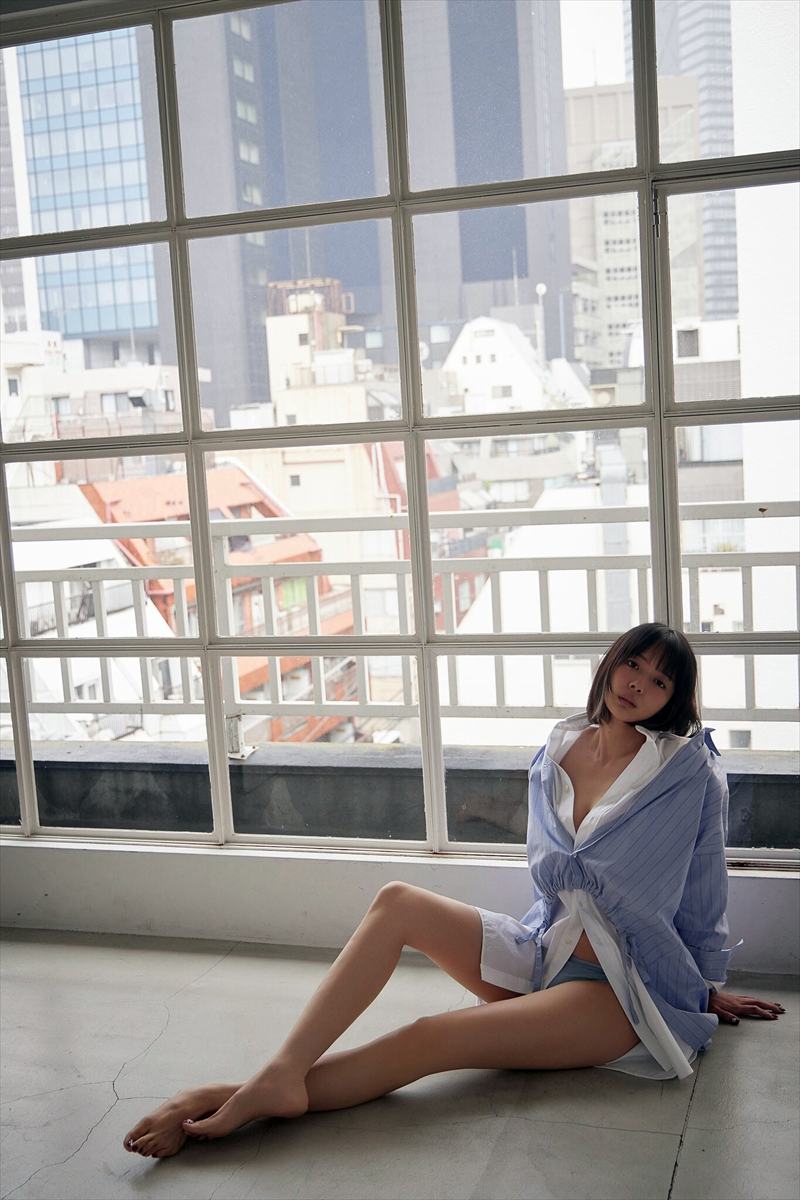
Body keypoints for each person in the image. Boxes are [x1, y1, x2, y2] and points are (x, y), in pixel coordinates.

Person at [123, 622, 784, 1158]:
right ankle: (281, 1071)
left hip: (616, 992)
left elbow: (704, 885)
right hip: (545, 951)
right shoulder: (560, 749)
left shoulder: (688, 773)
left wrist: (704, 984)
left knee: (432, 1035)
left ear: (675, 698)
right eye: (632, 664)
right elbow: (556, 881)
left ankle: (231, 1096)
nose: (637, 683)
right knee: (397, 901)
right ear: (611, 664)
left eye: (659, 680)